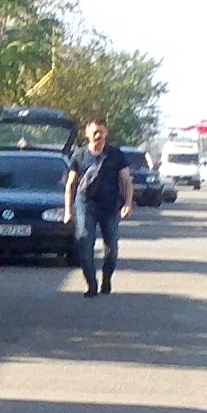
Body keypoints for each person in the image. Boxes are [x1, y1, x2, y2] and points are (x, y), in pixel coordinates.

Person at [62, 119, 132, 297]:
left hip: (110, 206)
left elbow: (126, 180)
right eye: (94, 132)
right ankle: (91, 284)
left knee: (112, 248)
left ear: (106, 133)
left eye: (100, 132)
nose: (97, 135)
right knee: (85, 242)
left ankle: (106, 279)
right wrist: (68, 210)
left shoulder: (116, 155)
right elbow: (71, 184)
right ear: (87, 134)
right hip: (85, 204)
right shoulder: (79, 155)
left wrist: (128, 203)